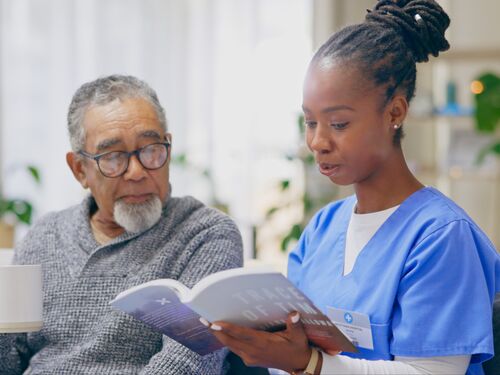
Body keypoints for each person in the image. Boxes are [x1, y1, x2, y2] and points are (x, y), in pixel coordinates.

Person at [207, 1, 500, 374]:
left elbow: (433, 372)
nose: (318, 142)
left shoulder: (441, 237)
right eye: (310, 123)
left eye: (339, 124)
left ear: (394, 112)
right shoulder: (323, 228)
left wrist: (310, 364)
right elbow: (291, 353)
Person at [0, 75, 243, 374]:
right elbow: (8, 360)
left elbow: (187, 364)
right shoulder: (43, 237)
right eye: (114, 157)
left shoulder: (205, 234)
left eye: (151, 149)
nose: (137, 172)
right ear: (80, 170)